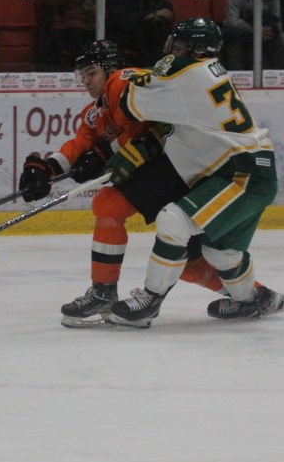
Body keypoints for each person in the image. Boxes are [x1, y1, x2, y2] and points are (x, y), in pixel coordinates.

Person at [18, 40, 231, 327]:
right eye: (81, 75)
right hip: (161, 172)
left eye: (91, 72)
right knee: (189, 263)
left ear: (110, 68)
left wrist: (103, 153)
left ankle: (109, 292)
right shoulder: (95, 110)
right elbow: (81, 143)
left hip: (178, 167)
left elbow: (143, 127)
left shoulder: (123, 81)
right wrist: (47, 169)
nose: (85, 80)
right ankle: (248, 295)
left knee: (111, 206)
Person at [98, 18, 284, 327]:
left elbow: (129, 102)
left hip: (243, 172)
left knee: (174, 220)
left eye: (178, 45)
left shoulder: (186, 75)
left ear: (196, 49)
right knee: (220, 253)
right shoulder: (206, 71)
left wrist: (123, 77)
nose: (171, 51)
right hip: (252, 170)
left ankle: (149, 300)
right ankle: (252, 301)